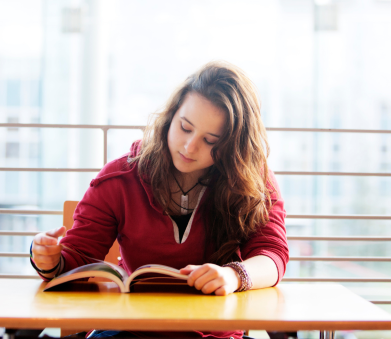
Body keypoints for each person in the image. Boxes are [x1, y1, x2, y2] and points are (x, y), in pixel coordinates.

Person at [30, 61, 289, 339]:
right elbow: (77, 256)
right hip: (129, 329)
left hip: (213, 333)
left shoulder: (252, 181)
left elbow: (272, 255)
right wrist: (49, 260)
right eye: (185, 127)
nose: (190, 147)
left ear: (233, 146)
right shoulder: (120, 178)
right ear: (170, 116)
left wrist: (234, 275)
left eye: (211, 141)